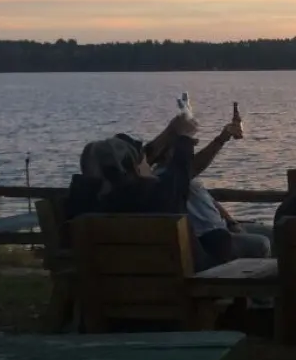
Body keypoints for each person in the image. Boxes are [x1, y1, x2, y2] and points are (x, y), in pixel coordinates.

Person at [65, 114, 218, 269]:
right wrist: (185, 138)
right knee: (230, 241)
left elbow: (124, 166)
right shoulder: (157, 197)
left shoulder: (83, 203)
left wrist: (170, 132)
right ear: (136, 169)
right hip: (174, 277)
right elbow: (181, 171)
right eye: (144, 161)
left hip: (109, 279)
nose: (149, 165)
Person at [146, 119, 270, 262]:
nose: (191, 150)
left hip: (224, 227)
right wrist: (222, 138)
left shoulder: (187, 176)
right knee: (262, 244)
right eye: (188, 145)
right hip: (210, 239)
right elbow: (198, 164)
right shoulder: (165, 178)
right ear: (170, 152)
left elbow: (210, 201)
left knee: (276, 233)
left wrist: (232, 222)